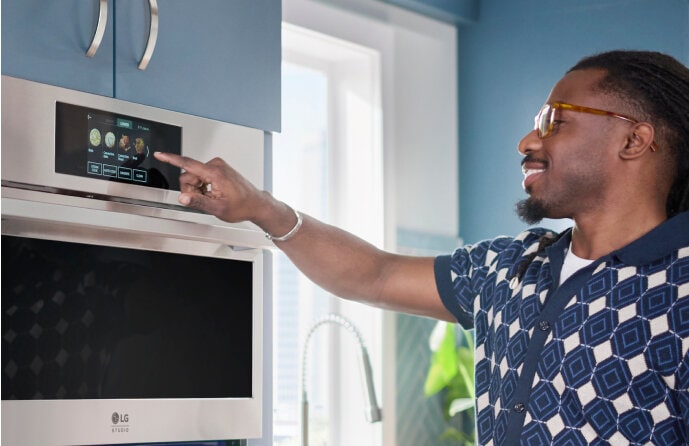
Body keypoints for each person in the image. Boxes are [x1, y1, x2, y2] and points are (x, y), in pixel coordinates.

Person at [154, 50, 689, 445]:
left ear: (633, 140)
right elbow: (374, 275)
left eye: (555, 121)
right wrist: (261, 209)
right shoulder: (509, 268)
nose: (528, 142)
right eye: (534, 124)